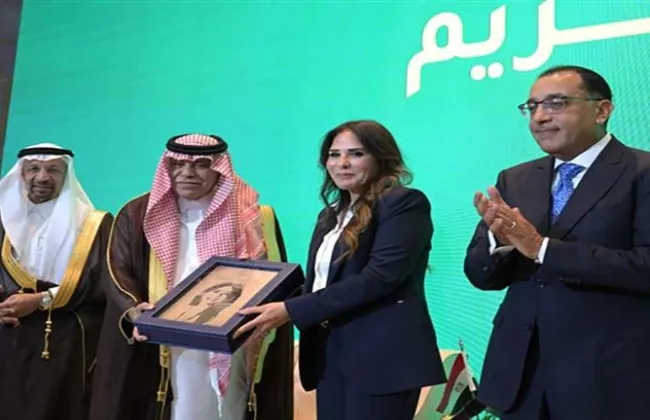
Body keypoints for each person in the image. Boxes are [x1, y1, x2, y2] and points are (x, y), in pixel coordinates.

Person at [464, 65, 650, 419]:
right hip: (520, 377)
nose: (540, 117)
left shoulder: (641, 172)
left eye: (555, 103)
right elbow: (481, 276)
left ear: (602, 110)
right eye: (532, 107)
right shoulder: (515, 178)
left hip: (608, 377)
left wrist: (542, 248)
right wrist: (499, 243)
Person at [236, 120, 447, 420]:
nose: (342, 163)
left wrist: (291, 310)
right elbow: (321, 283)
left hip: (381, 360)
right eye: (334, 155)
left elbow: (379, 278)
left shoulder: (404, 203)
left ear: (381, 158)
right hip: (330, 355)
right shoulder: (330, 214)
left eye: (356, 154)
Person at [90, 133, 294, 420]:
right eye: (177, 164)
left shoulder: (252, 213)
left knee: (231, 408)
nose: (187, 173)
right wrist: (135, 309)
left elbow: (273, 276)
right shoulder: (137, 213)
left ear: (219, 169)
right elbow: (117, 269)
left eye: (200, 165)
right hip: (164, 338)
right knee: (179, 406)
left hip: (234, 337)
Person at [0, 143, 112, 420]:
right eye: (33, 169)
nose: (42, 177)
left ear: (66, 175)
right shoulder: (3, 219)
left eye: (53, 170)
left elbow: (99, 282)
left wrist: (40, 300)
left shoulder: (94, 224)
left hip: (64, 333)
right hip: (7, 328)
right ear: (21, 174)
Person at [176, 282, 243, 324]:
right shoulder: (182, 308)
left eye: (224, 295)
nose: (216, 296)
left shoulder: (210, 321)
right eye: (216, 292)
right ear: (207, 291)